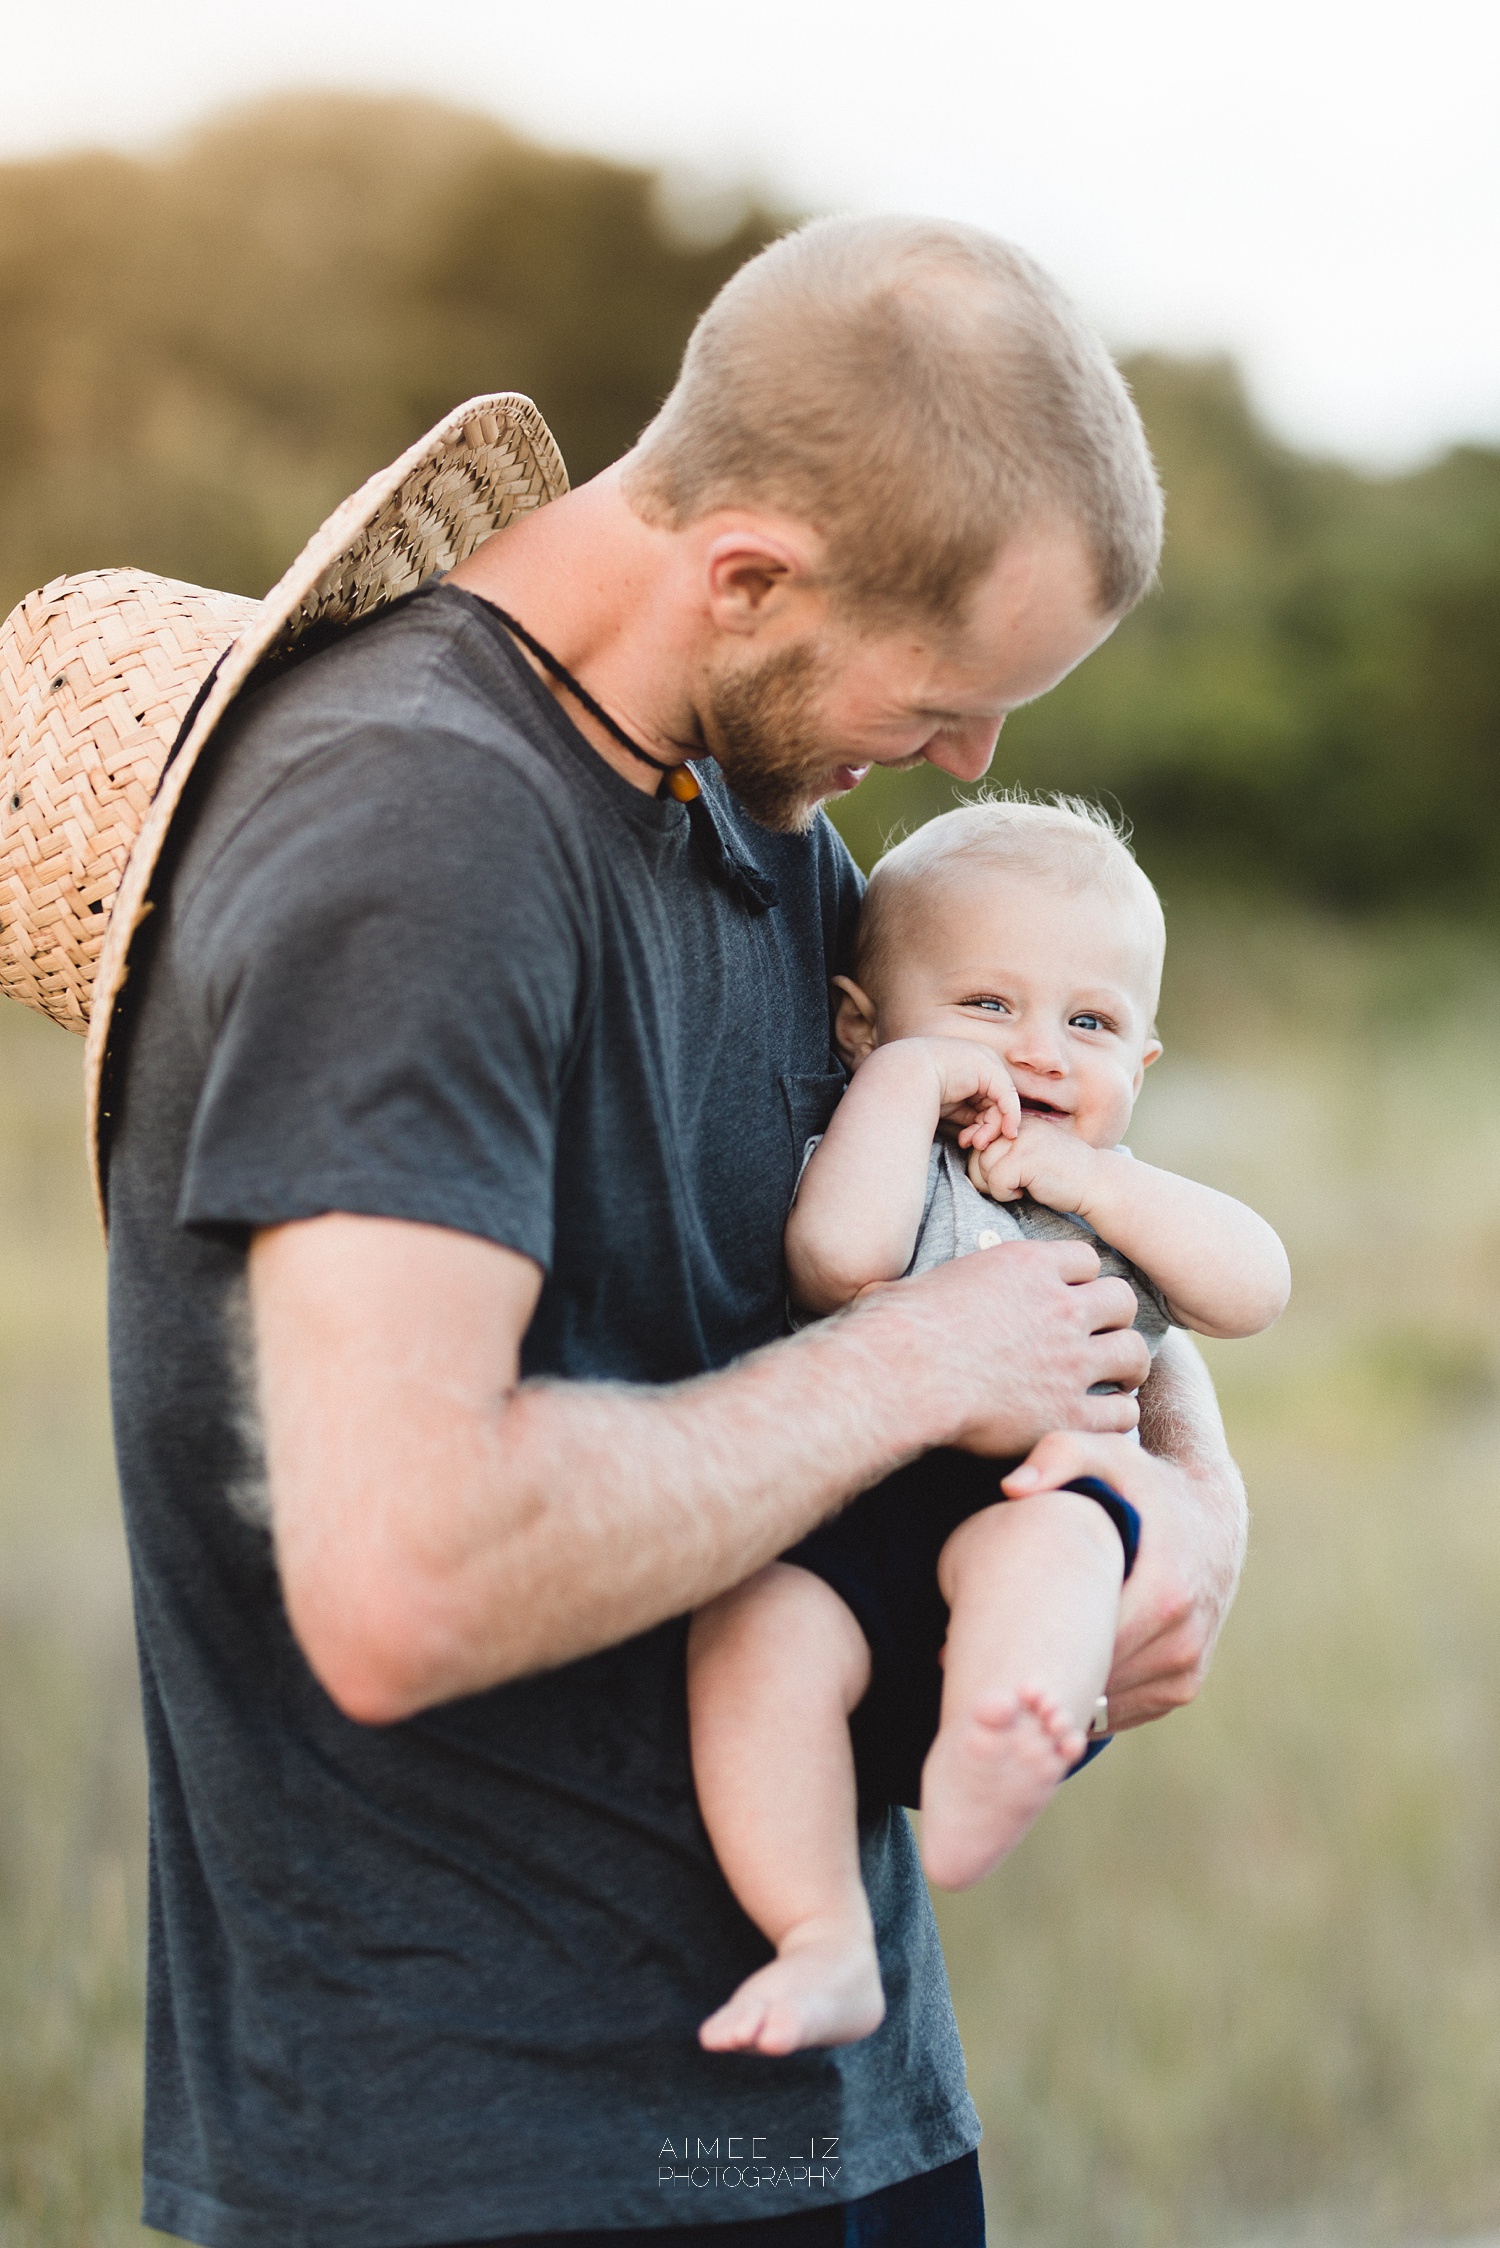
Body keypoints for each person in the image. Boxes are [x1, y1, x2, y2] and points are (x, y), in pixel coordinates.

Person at [103, 215, 1248, 2247]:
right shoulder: (417, 837)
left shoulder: (773, 835)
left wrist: (1187, 1511)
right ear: (747, 577)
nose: (978, 759)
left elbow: (973, 1277)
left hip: (835, 2115)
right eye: (955, 695)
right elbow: (405, 1572)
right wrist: (916, 1364)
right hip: (490, 2167)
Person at [688, 798, 1290, 2060]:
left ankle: (998, 1735)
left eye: (1090, 1024)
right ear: (860, 1026)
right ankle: (823, 1937)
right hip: (854, 1529)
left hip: (1034, 1504)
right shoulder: (877, 1150)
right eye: (985, 1006)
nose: (1038, 1054)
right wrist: (908, 1088)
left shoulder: (1112, 1200)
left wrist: (1095, 1183)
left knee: (1060, 1547)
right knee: (752, 1635)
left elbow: (1254, 1286)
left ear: (1143, 1064)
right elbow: (834, 1261)